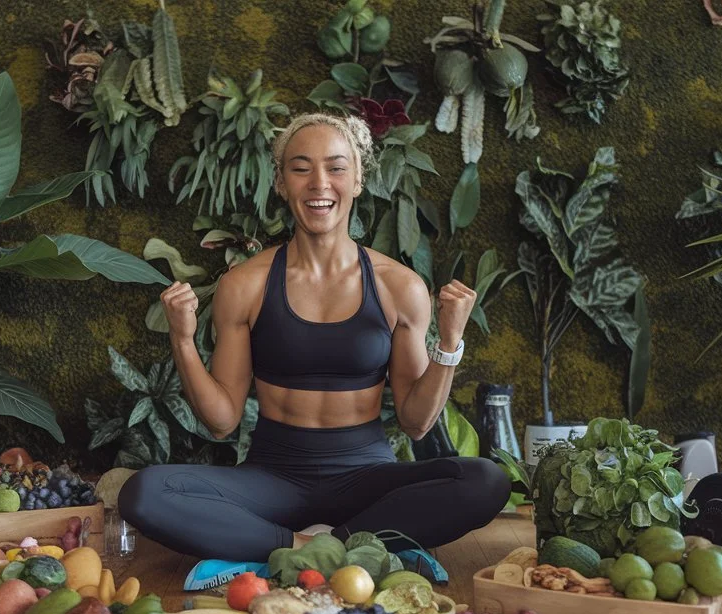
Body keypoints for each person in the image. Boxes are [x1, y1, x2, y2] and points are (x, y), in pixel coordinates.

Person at [118, 113, 511, 586]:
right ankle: (320, 547)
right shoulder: (245, 285)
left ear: (359, 179)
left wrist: (449, 344)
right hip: (272, 477)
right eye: (301, 168)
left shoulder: (398, 287)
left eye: (336, 167)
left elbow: (416, 421)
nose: (319, 183)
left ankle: (292, 543)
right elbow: (221, 422)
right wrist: (181, 339)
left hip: (367, 478)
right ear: (282, 183)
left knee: (486, 481)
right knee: (143, 493)